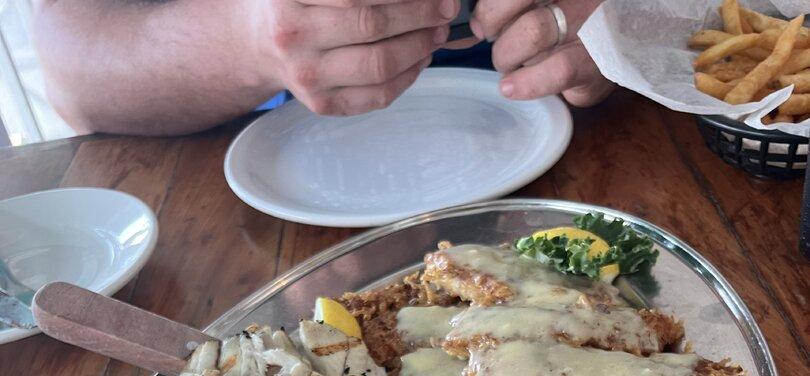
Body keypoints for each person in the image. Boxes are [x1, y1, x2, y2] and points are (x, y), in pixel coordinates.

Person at [33, 0, 609, 136]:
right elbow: (74, 71)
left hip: (598, 141)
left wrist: (631, 33)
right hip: (261, 182)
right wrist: (247, 41)